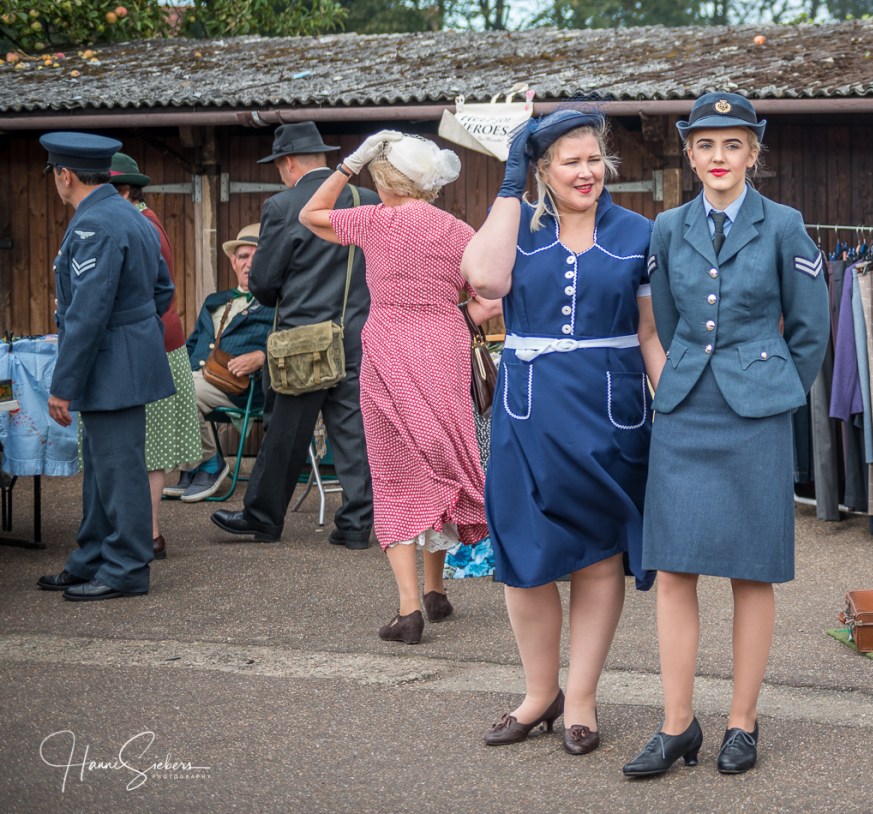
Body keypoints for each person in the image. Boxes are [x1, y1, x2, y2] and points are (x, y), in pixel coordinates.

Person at [621, 93, 829, 777]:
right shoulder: (666, 227)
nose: (719, 157)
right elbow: (665, 320)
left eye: (733, 144)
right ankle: (677, 724)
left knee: (751, 569)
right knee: (674, 567)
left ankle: (743, 721)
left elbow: (810, 329)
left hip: (755, 416)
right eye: (706, 145)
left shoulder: (785, 225)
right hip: (685, 411)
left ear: (753, 153)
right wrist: (670, 385)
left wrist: (777, 389)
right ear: (689, 153)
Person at [461, 109, 663, 755]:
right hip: (528, 413)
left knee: (600, 556)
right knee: (526, 558)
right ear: (542, 169)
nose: (586, 172)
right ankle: (537, 693)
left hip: (611, 412)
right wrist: (507, 187)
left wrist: (674, 408)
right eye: (570, 161)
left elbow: (650, 332)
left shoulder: (640, 232)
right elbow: (485, 280)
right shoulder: (515, 225)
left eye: (594, 159)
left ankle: (580, 699)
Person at [298, 131, 501, 644]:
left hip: (389, 347)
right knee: (437, 464)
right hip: (444, 347)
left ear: (386, 181)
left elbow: (310, 215)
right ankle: (436, 591)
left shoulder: (374, 221)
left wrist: (348, 164)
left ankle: (409, 609)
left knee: (394, 472)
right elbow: (491, 297)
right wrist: (455, 317)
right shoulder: (459, 231)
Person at [210, 121, 378, 547]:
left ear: (287, 163)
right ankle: (356, 526)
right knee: (353, 432)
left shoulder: (283, 206)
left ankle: (263, 518)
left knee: (285, 433)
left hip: (303, 342)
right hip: (359, 334)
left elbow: (263, 284)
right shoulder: (368, 200)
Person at [35, 132, 175, 601]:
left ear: (65, 175)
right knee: (100, 473)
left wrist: (63, 384)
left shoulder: (96, 224)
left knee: (119, 473)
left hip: (111, 365)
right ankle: (92, 559)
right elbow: (162, 291)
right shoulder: (129, 215)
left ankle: (126, 569)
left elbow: (88, 312)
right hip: (122, 361)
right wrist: (136, 333)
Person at [108, 152, 204, 558]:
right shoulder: (143, 220)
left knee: (150, 449)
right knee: (148, 447)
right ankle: (145, 534)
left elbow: (151, 293)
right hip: (157, 344)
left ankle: (148, 534)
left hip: (150, 348)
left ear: (124, 192)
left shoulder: (140, 226)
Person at [166, 223, 274, 503]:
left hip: (242, 386)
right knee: (162, 388)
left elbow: (290, 341)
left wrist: (263, 356)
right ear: (233, 262)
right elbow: (191, 345)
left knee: (179, 391)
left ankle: (211, 463)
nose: (249, 263)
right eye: (243, 257)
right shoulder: (215, 301)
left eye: (257, 256)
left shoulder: (277, 303)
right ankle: (193, 467)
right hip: (200, 378)